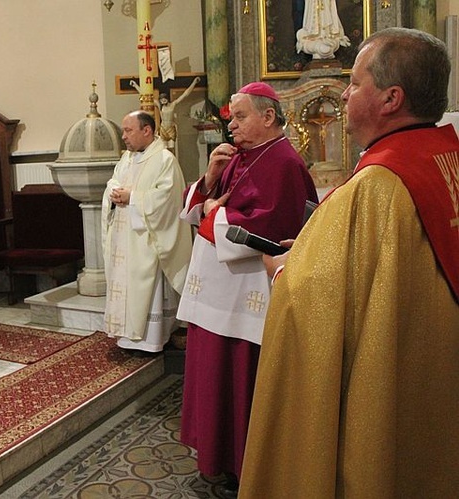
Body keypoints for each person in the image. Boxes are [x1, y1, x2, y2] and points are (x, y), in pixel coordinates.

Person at [240, 28, 459, 498]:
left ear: (390, 99)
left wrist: (280, 269)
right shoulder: (446, 159)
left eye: (356, 83)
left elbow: (309, 299)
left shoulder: (376, 186)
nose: (344, 94)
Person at [177, 82, 318, 494]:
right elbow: (200, 206)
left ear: (268, 116)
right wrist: (210, 178)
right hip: (216, 293)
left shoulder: (285, 163)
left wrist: (211, 214)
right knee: (210, 376)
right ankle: (215, 459)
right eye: (230, 118)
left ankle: (244, 470)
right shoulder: (240, 157)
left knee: (237, 381)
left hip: (246, 296)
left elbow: (269, 226)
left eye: (239, 117)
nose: (231, 126)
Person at [101, 110, 192, 353]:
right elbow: (113, 181)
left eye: (128, 130)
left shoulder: (164, 160)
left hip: (147, 238)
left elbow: (168, 199)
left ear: (147, 130)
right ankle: (126, 336)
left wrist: (133, 198)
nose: (123, 136)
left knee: (147, 286)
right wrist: (113, 192)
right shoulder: (127, 159)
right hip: (124, 237)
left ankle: (151, 340)